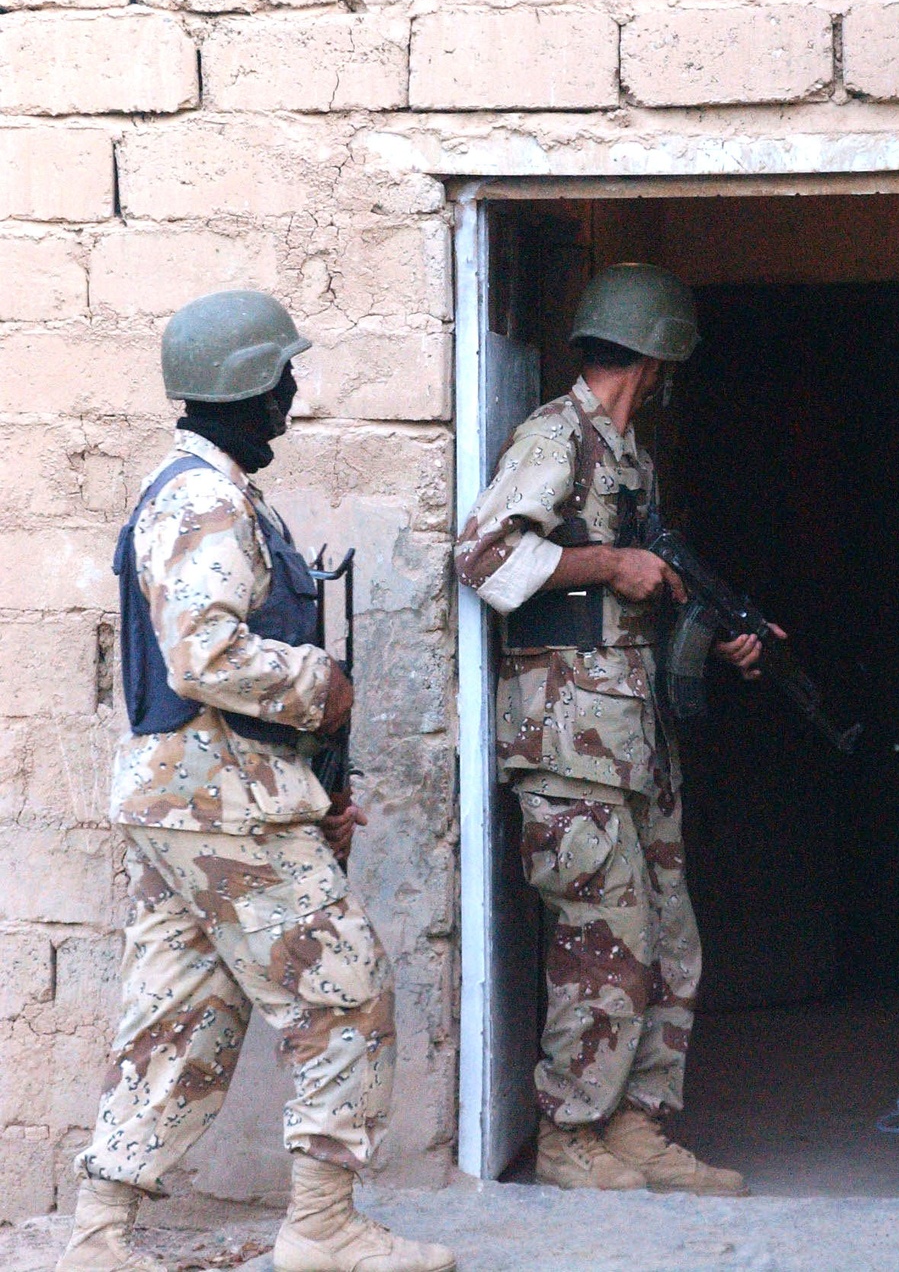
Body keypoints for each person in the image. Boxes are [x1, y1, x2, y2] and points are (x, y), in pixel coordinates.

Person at [57, 292, 455, 1272]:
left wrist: (311, 780)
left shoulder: (207, 487)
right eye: (278, 375)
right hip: (221, 804)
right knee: (347, 990)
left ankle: (98, 1240)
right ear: (241, 386)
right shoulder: (204, 498)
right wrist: (323, 689)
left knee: (178, 1011)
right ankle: (321, 1228)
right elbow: (204, 655)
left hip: (189, 800)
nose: (290, 393)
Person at [455, 263, 762, 1196]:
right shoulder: (558, 438)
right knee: (603, 937)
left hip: (633, 737)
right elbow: (482, 553)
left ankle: (636, 1125)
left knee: (669, 936)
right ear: (660, 355)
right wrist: (607, 559)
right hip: (566, 741)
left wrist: (717, 638)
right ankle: (569, 1133)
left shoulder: (631, 455)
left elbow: (635, 593)